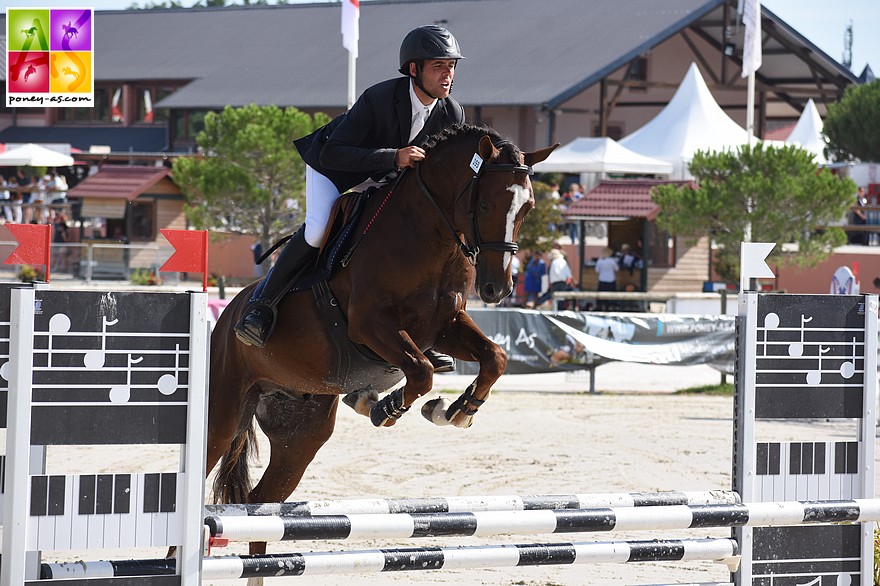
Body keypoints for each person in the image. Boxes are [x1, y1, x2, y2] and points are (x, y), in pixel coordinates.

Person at [234, 25, 465, 372]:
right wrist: (392, 157)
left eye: (451, 66)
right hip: (335, 169)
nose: (447, 75)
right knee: (316, 230)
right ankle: (261, 307)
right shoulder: (380, 98)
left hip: (385, 180)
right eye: (438, 66)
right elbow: (336, 154)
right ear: (413, 69)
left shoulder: (451, 113)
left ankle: (420, 335)